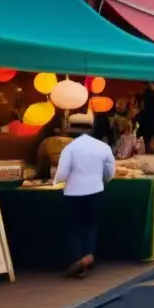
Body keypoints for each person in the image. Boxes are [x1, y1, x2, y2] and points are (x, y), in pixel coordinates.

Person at [53, 114, 115, 278]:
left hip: (73, 192)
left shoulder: (69, 149)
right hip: (95, 190)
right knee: (90, 226)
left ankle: (78, 261)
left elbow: (61, 174)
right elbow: (110, 173)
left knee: (73, 228)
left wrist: (56, 181)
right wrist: (102, 180)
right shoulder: (103, 147)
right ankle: (88, 257)